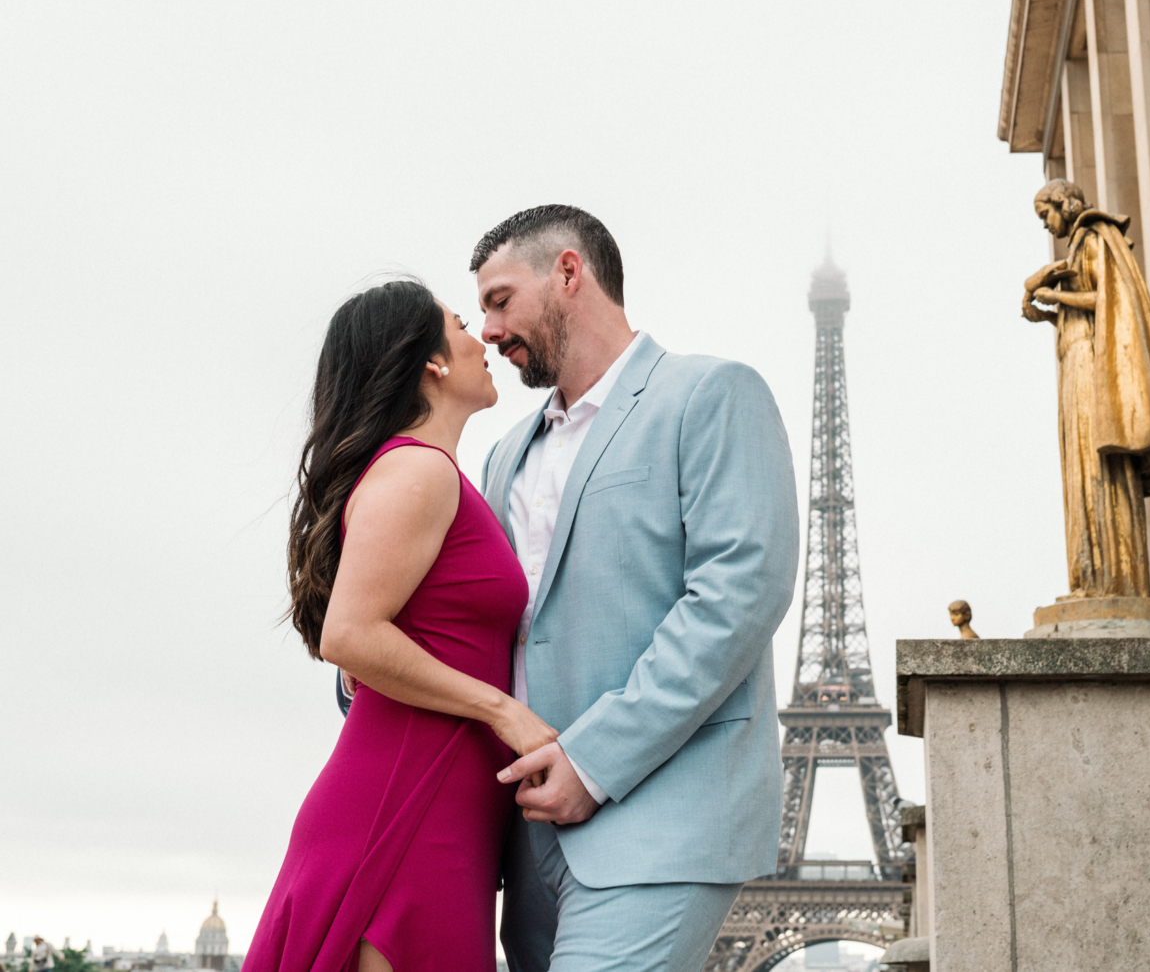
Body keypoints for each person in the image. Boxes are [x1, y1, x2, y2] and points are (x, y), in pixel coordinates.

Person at [470, 205, 800, 972]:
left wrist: (594, 760)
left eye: (499, 299)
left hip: (659, 813)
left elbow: (739, 591)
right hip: (527, 836)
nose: (487, 329)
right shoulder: (504, 454)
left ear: (568, 272)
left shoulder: (710, 393)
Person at [243, 279, 556, 972]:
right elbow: (350, 636)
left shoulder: (434, 473)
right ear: (432, 363)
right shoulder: (419, 470)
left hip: (435, 799)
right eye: (460, 324)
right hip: (404, 799)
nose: (483, 340)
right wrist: (502, 710)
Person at [1022, 179, 1150, 598]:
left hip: (1090, 369)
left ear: (1063, 205)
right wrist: (1051, 314)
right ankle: (1090, 575)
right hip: (1077, 366)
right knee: (1084, 468)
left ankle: (1113, 578)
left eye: (1044, 214)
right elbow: (1090, 310)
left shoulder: (1094, 236)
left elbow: (1109, 298)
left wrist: (1054, 295)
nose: (1045, 225)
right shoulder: (1078, 245)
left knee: (1098, 464)